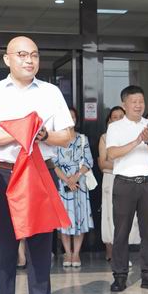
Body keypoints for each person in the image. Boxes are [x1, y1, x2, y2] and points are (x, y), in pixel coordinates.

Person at [0, 35, 74, 294]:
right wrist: (18, 132)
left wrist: (42, 135)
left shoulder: (50, 92)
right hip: (5, 174)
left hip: (40, 173)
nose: (29, 60)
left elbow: (66, 136)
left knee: (40, 250)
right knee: (5, 250)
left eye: (34, 55)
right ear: (7, 59)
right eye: (21, 54)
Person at [106, 85, 148, 293]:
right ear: (124, 104)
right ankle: (120, 276)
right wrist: (136, 141)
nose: (138, 105)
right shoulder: (115, 127)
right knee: (121, 232)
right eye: (134, 101)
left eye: (141, 101)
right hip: (124, 184)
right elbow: (112, 154)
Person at [54, 107, 94, 268]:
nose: (70, 120)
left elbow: (89, 162)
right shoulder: (55, 139)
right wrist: (67, 180)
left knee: (80, 218)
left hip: (80, 183)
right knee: (63, 219)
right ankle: (67, 252)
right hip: (62, 183)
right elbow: (53, 164)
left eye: (72, 117)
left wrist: (75, 177)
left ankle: (76, 253)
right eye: (67, 117)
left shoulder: (82, 139)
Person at [99, 107, 140, 261]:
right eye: (114, 117)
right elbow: (103, 163)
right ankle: (113, 252)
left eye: (120, 116)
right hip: (111, 179)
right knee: (110, 215)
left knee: (128, 215)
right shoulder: (104, 137)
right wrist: (125, 164)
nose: (117, 119)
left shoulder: (134, 137)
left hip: (129, 179)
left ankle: (123, 253)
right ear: (109, 120)